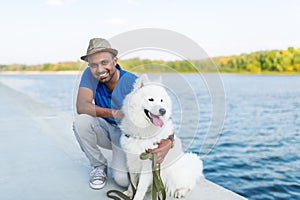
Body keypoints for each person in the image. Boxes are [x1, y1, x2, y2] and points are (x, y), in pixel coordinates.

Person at [73, 38, 174, 190]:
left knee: (122, 181)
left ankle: (120, 159)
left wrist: (169, 142)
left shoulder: (132, 82)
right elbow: (82, 106)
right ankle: (98, 166)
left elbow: (160, 112)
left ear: (115, 61)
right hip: (106, 128)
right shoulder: (89, 75)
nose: (99, 69)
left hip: (127, 135)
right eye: (94, 65)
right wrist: (115, 113)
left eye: (104, 62)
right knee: (81, 121)